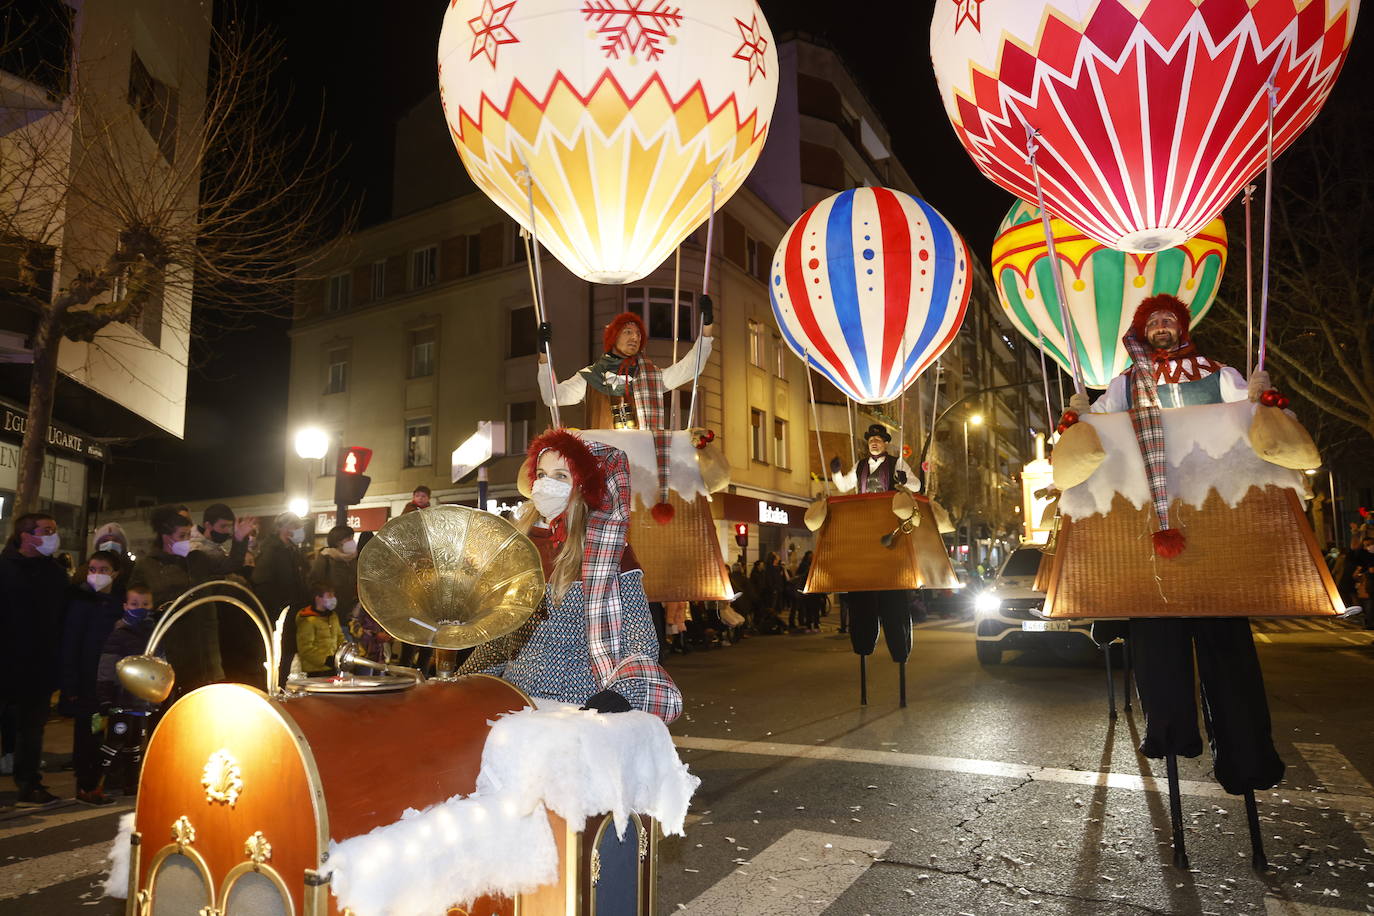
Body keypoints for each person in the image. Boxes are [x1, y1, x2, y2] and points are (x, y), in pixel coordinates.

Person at [1074, 292, 1284, 796]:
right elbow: (1097, 437)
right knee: (1158, 643)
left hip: (1215, 528)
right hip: (1151, 528)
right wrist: (1080, 415)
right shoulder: (1125, 385)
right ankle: (1169, 735)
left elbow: (1255, 429)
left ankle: (1246, 757)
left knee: (1227, 647)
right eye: (1155, 321)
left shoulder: (1218, 373)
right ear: (1144, 330)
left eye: (1170, 319)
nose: (1163, 327)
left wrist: (1259, 395)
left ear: (1182, 327)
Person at [458, 428, 681, 721]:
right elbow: (499, 640)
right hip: (517, 706)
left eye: (561, 476)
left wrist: (625, 692)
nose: (546, 483)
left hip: (584, 706)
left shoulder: (609, 553)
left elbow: (640, 638)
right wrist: (461, 682)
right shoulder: (519, 544)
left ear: (584, 485)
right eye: (541, 473)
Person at [537, 311, 715, 430]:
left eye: (638, 334)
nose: (635, 337)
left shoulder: (651, 377)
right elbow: (552, 396)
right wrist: (544, 354)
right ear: (614, 337)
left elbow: (691, 368)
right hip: (605, 466)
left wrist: (706, 327)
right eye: (628, 331)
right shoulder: (590, 377)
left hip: (642, 465)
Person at [0, 512, 70, 806]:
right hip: (5, 662)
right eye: (46, 530)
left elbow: (66, 611)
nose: (53, 536)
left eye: (54, 530)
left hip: (38, 666)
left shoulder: (53, 572)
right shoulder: (3, 569)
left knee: (32, 730)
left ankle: (29, 784)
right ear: (26, 536)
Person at [59, 551, 126, 806]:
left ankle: (101, 782)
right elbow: (71, 645)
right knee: (90, 736)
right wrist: (71, 684)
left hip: (110, 682)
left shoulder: (119, 604)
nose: (97, 575)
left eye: (104, 570)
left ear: (115, 574)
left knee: (107, 734)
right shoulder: (82, 602)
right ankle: (87, 786)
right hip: (88, 684)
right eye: (93, 569)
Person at [94, 584, 158, 797]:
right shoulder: (119, 634)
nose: (140, 608)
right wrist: (104, 698)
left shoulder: (154, 636)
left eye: (145, 604)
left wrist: (158, 697)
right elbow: (106, 668)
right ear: (125, 606)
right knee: (114, 742)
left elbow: (160, 667)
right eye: (134, 604)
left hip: (142, 702)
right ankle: (94, 786)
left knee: (135, 744)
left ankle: (131, 785)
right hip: (120, 700)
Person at [131, 507, 203, 692]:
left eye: (189, 535)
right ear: (166, 536)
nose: (187, 541)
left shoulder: (192, 562)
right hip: (161, 642)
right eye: (182, 535)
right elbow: (136, 602)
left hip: (192, 643)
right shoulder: (146, 566)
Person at [184, 504, 255, 686]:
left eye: (229, 527)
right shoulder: (198, 549)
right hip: (210, 616)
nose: (226, 531)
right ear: (208, 525)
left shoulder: (212, 545)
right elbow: (228, 566)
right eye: (222, 527)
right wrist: (239, 540)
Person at [252, 512, 312, 684]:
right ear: (284, 529)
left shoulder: (293, 551)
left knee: (288, 653)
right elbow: (262, 582)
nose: (300, 531)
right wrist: (278, 606)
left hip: (294, 612)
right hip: (277, 613)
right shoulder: (271, 551)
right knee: (277, 654)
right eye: (296, 527)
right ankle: (272, 686)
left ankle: (281, 684)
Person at [831, 424, 916, 494]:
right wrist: (836, 472)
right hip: (865, 510)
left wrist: (906, 481)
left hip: (889, 511)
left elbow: (917, 486)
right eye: (871, 440)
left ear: (885, 444)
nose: (873, 442)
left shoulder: (897, 463)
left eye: (877, 439)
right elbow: (844, 486)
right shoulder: (860, 465)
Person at [295, 583, 344, 677]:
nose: (333, 598)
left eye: (333, 595)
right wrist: (326, 660)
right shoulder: (308, 619)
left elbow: (340, 637)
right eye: (329, 595)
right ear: (318, 598)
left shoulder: (333, 616)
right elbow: (305, 648)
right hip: (315, 672)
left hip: (332, 668)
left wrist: (343, 653)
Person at [309, 525, 359, 614]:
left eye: (352, 538)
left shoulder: (353, 559)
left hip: (351, 609)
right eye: (348, 538)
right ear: (337, 541)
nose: (352, 541)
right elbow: (315, 582)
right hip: (331, 608)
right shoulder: (325, 557)